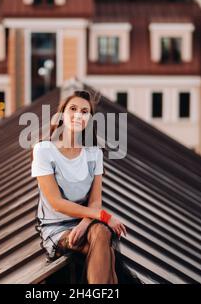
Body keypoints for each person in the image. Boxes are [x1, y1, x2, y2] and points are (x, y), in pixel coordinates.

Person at [30, 88, 140, 284]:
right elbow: (56, 203)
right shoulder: (44, 150)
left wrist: (84, 223)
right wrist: (103, 216)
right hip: (56, 227)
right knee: (109, 255)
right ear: (62, 114)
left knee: (102, 233)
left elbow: (95, 201)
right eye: (73, 109)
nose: (78, 115)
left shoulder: (94, 153)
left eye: (84, 111)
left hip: (86, 223)